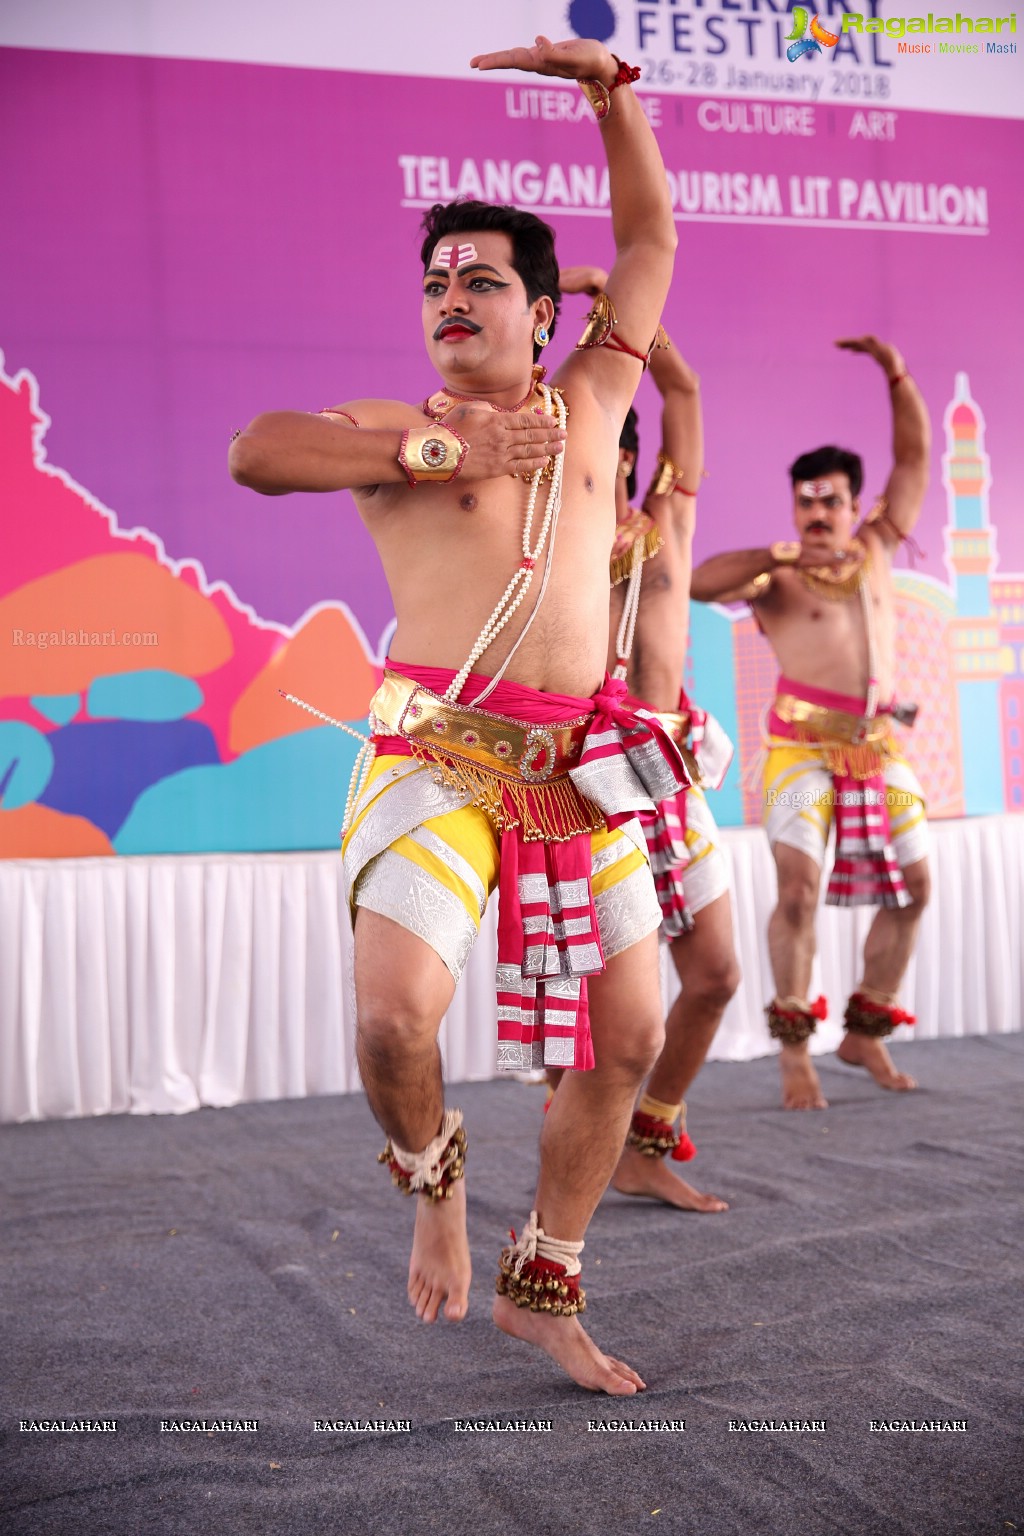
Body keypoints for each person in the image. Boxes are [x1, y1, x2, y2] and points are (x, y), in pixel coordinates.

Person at [230, 36, 682, 1395]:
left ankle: (545, 1276)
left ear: (543, 313)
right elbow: (259, 450)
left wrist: (612, 95)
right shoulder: (398, 430)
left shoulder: (600, 400)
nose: (450, 295)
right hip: (438, 755)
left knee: (634, 1037)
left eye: (480, 278)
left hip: (582, 768)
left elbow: (650, 231)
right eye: (434, 279)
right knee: (391, 1021)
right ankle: (435, 1180)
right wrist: (446, 447)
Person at [690, 338, 931, 1112]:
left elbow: (915, 455)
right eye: (807, 501)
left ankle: (866, 1029)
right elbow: (696, 584)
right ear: (794, 505)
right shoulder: (777, 575)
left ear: (855, 504)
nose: (819, 512)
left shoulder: (879, 546)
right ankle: (796, 1052)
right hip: (799, 756)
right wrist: (775, 551)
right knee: (798, 893)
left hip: (879, 750)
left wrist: (896, 375)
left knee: (916, 888)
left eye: (831, 500)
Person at [552, 265, 740, 1212]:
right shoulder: (543, 546)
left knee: (714, 975)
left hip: (669, 775)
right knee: (596, 1013)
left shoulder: (665, 523)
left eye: (613, 457)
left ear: (629, 461)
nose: (601, 473)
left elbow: (685, 392)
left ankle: (647, 1137)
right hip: (584, 789)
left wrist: (623, 313)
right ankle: (578, 1166)